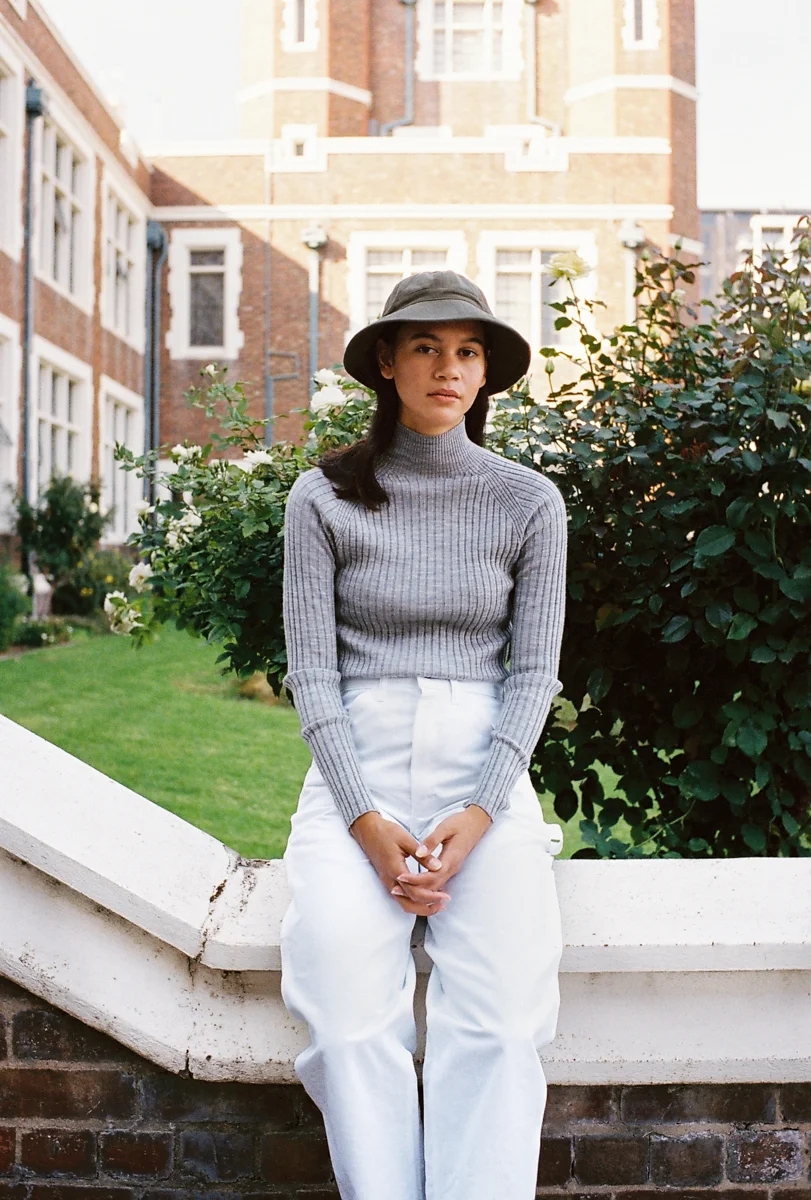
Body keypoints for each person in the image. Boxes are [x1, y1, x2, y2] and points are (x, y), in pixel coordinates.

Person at [279, 269, 568, 1200]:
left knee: (500, 1024)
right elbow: (312, 673)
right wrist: (364, 820)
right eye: (426, 348)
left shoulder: (528, 501)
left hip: (485, 775)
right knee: (346, 1023)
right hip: (353, 771)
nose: (449, 368)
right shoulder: (321, 498)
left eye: (467, 351)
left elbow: (532, 674)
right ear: (385, 364)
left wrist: (479, 811)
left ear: (485, 374)